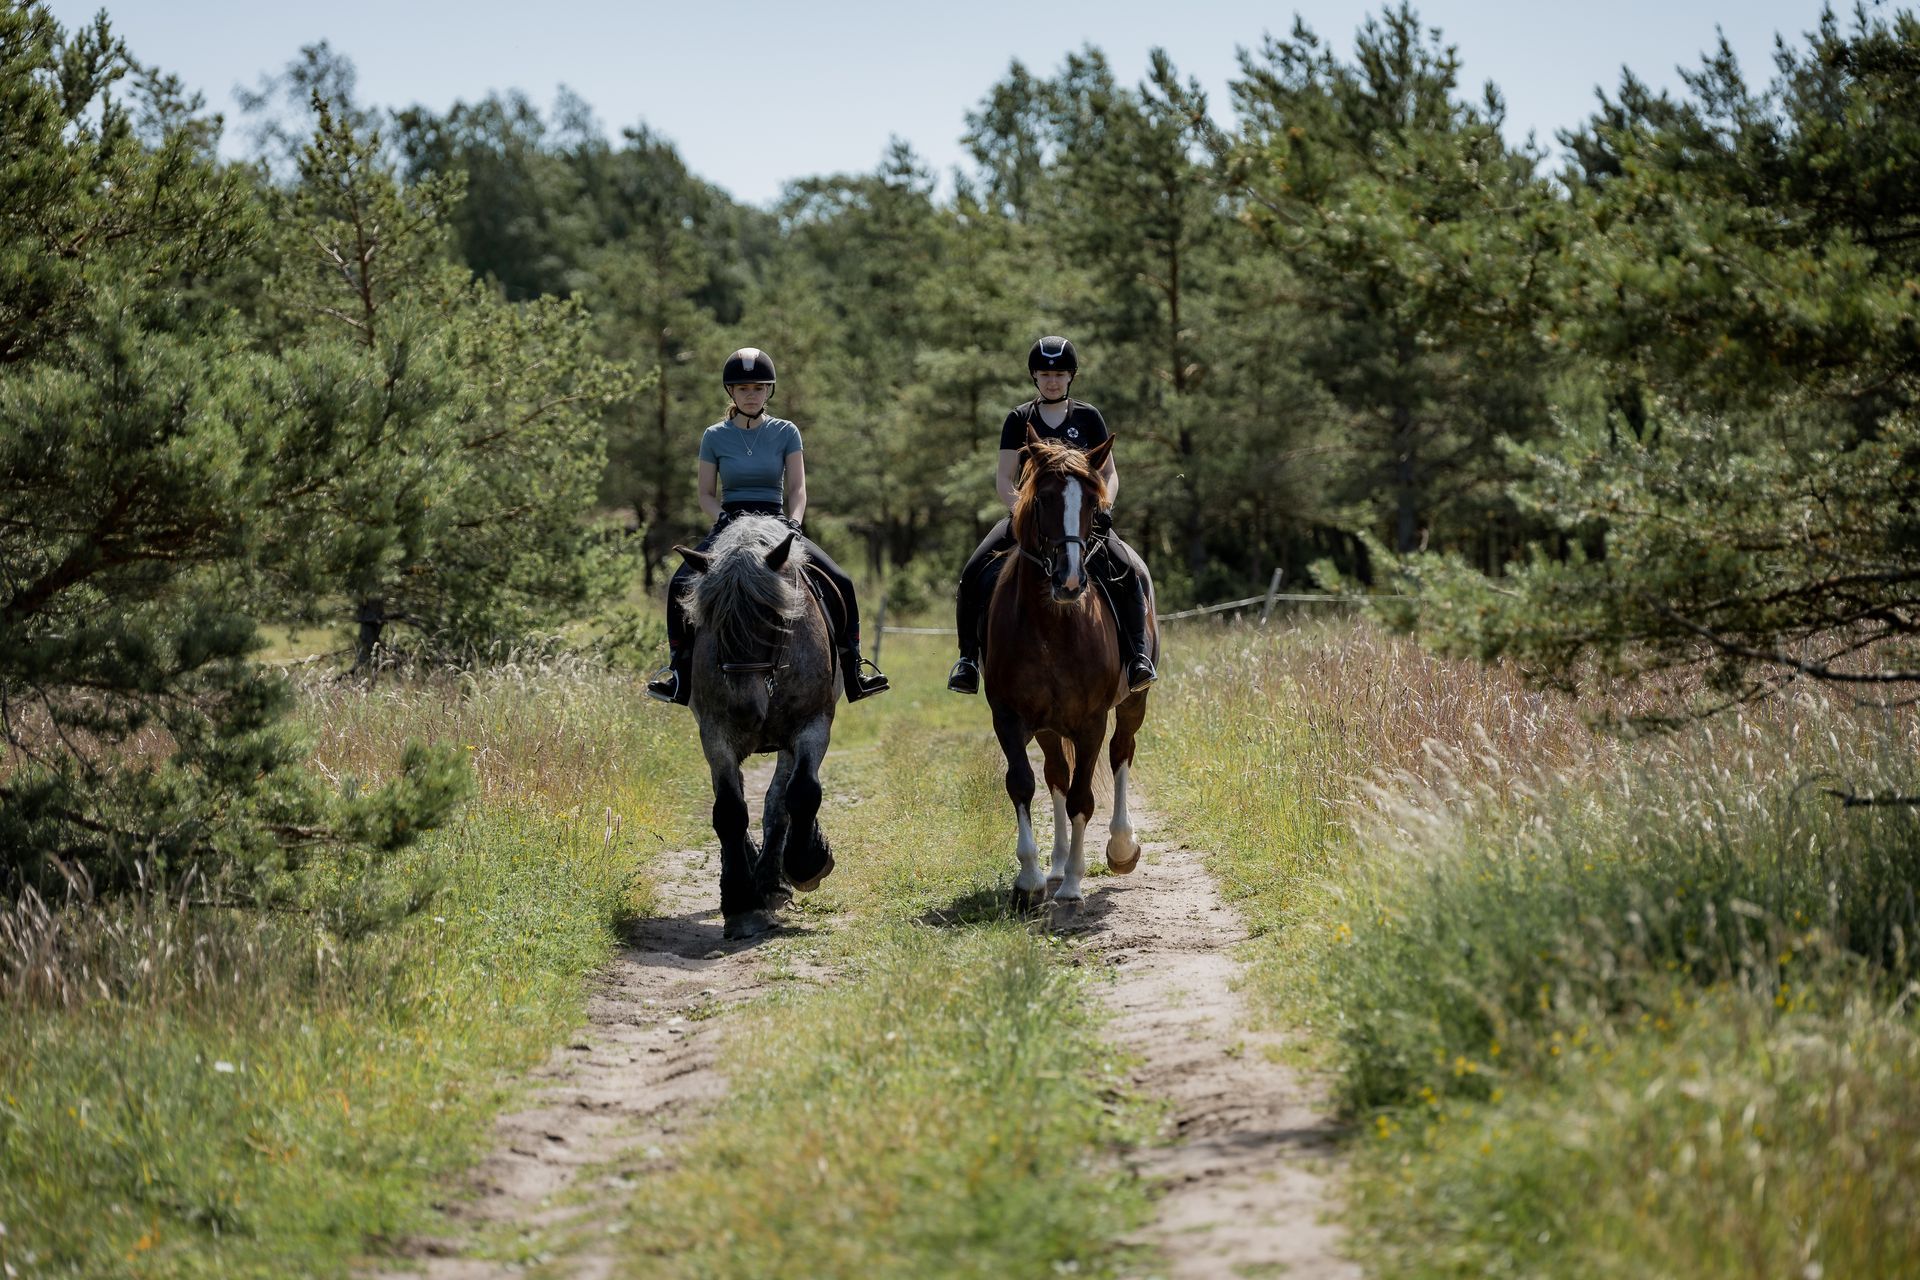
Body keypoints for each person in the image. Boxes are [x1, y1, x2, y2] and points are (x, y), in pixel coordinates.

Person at [647, 348, 889, 705]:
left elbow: (797, 489)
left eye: (759, 388)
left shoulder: (786, 432)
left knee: (841, 581)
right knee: (681, 581)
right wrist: (723, 516)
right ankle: (678, 672)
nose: (751, 394)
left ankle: (854, 669)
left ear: (768, 392)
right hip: (730, 521)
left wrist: (793, 524)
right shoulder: (714, 436)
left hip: (777, 522)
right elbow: (704, 493)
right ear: (731, 392)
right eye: (743, 388)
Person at [947, 336, 1157, 695]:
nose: (1052, 381)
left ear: (1071, 376)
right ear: (1034, 377)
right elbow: (1003, 478)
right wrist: (1020, 510)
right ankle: (967, 660)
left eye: (1059, 374)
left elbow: (1109, 473)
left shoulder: (1088, 417)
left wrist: (1105, 506)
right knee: (973, 571)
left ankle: (1138, 655)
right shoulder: (1019, 419)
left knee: (1129, 569)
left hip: (1081, 522)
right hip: (1032, 520)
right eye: (1045, 374)